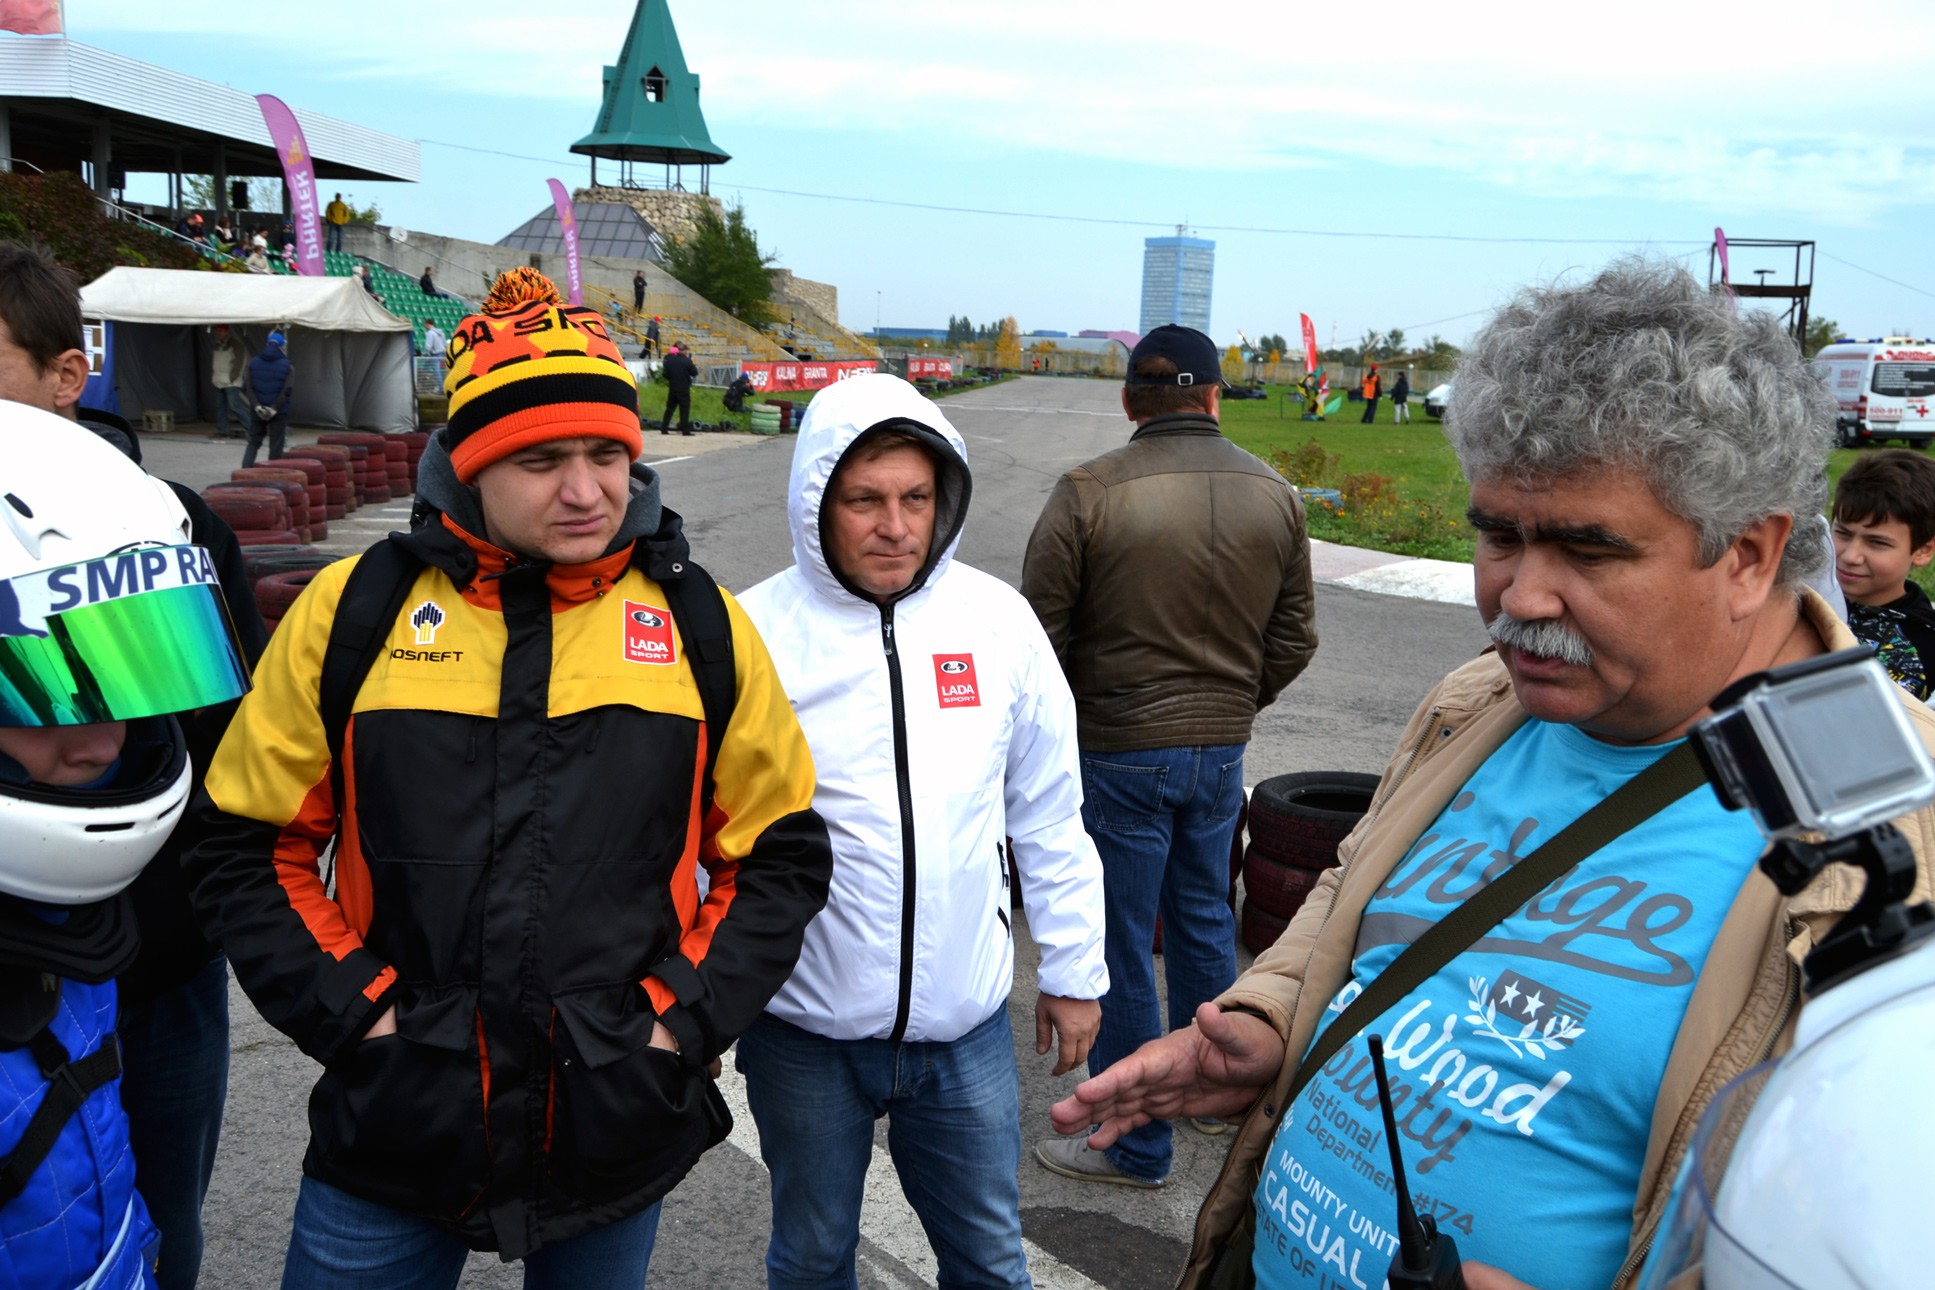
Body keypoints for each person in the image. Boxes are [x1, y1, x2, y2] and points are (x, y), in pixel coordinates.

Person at [1051, 258, 1935, 1290]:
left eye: (1587, 551)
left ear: (1747, 555)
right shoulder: (1482, 699)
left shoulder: (1898, 818)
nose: (1521, 597)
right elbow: (1355, 886)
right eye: (1498, 535)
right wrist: (1271, 1016)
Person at [185, 267, 832, 1288]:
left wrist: (675, 1024)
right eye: (540, 459)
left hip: (614, 1118)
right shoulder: (352, 611)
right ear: (469, 464)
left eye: (607, 454)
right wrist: (360, 1017)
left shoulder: (698, 622)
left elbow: (780, 857)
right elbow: (246, 845)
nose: (585, 491)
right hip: (393, 1125)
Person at [736, 374, 1107, 1289]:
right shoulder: (751, 632)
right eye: (864, 500)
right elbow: (704, 833)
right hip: (802, 1030)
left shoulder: (996, 621)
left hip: (962, 1030)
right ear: (816, 502)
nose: (895, 527)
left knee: (988, 1263)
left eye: (915, 498)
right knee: (812, 1257)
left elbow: (1048, 809)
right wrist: (699, 998)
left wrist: (1073, 970)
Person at [0, 239, 268, 1290]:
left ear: (67, 373)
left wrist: (196, 913)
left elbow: (234, 751)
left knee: (157, 1218)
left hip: (155, 964)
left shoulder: (177, 524)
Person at [1022, 323, 1317, 1189]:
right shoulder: (1274, 492)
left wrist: (1083, 721)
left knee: (1119, 940)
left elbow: (1034, 639)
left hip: (1117, 748)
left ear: (1129, 401)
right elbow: (1294, 637)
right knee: (1203, 918)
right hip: (1220, 749)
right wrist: (1230, 706)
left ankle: (1136, 1142)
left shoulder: (1089, 490)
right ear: (1215, 397)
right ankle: (1215, 1097)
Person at [1832, 448, 1935, 700]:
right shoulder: (1799, 594)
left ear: (1923, 551)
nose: (1851, 556)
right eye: (1843, 533)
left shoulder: (1922, 646)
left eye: (1877, 543)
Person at [243, 329, 292, 468]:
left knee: (253, 442)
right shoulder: (288, 365)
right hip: (278, 412)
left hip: (257, 410)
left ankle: (245, 471)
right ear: (282, 347)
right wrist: (274, 408)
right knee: (276, 445)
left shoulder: (253, 362)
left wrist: (257, 406)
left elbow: (247, 387)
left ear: (267, 344)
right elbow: (287, 390)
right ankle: (273, 475)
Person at [210, 322, 250, 439]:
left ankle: (252, 429)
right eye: (217, 330)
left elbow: (240, 363)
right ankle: (223, 430)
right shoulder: (216, 345)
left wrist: (232, 378)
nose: (218, 333)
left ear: (227, 331)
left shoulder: (237, 345)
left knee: (235, 406)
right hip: (218, 380)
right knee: (220, 407)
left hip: (231, 382)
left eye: (221, 330)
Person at [660, 342, 697, 436]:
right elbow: (694, 372)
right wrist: (691, 362)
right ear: (684, 351)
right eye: (686, 351)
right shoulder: (687, 361)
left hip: (673, 387)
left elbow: (665, 374)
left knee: (670, 408)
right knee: (684, 409)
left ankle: (664, 428)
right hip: (684, 388)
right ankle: (685, 430)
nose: (687, 353)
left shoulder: (670, 360)